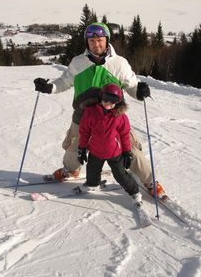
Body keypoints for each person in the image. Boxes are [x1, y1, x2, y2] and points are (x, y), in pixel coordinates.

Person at [34, 22, 165, 198]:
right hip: (83, 118)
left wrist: (139, 91)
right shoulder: (78, 62)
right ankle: (70, 170)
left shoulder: (119, 64)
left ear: (107, 40)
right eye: (92, 41)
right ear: (87, 43)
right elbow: (63, 82)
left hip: (113, 119)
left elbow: (132, 85)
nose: (96, 44)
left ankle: (150, 181)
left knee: (131, 150)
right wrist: (49, 87)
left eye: (100, 40)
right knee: (73, 150)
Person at [78, 84, 143, 206]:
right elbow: (84, 131)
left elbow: (124, 135)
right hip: (95, 151)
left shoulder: (120, 116)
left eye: (113, 101)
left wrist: (126, 152)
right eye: (106, 98)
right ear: (101, 97)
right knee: (91, 173)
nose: (108, 103)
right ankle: (93, 185)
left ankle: (134, 192)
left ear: (118, 102)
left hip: (114, 153)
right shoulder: (90, 112)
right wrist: (81, 148)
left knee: (120, 175)